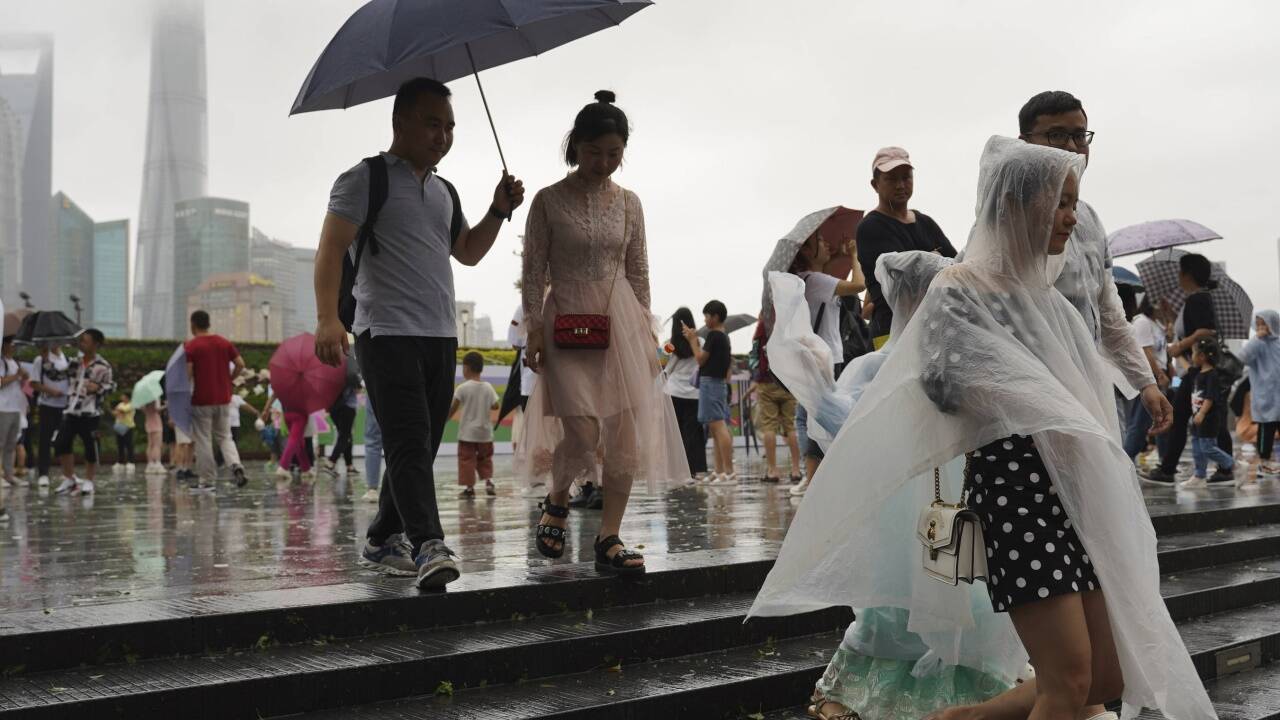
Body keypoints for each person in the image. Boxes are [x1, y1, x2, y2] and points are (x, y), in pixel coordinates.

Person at [752, 137, 1214, 720]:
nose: (1074, 217)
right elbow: (943, 383)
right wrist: (1039, 401)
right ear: (1018, 204)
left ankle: (959, 718)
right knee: (1068, 679)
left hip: (1077, 492)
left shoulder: (1048, 302)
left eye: (1075, 202)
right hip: (1018, 490)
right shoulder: (960, 288)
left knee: (1105, 675)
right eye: (1062, 202)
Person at [314, 76, 524, 588]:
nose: (443, 136)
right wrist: (327, 318)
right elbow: (330, 248)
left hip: (439, 334)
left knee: (421, 445)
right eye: (433, 124)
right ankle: (429, 544)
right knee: (408, 440)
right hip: (384, 332)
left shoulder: (444, 191)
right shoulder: (365, 179)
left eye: (449, 126)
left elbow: (468, 252)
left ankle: (383, 536)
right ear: (399, 122)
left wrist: (499, 210)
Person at [520, 90, 688, 576]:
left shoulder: (631, 203)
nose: (604, 162)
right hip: (566, 318)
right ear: (575, 146)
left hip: (621, 323)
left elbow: (639, 270)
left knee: (623, 433)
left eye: (614, 153)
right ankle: (557, 498)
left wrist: (647, 331)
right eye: (594, 152)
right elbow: (534, 270)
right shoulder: (548, 201)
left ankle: (608, 536)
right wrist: (533, 328)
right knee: (582, 426)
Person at [856, 147, 958, 349]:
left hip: (935, 325)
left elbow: (957, 265)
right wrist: (935, 260)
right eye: (892, 179)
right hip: (892, 332)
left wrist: (932, 261)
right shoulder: (870, 227)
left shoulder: (925, 222)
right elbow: (905, 278)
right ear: (875, 185)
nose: (901, 185)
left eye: (906, 177)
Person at [1143, 252, 1225, 485]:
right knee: (1207, 419)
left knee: (1180, 418)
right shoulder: (1197, 298)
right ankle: (1224, 467)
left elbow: (1205, 332)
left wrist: (1179, 346)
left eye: (1181, 271)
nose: (1178, 276)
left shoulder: (1197, 299)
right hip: (1194, 369)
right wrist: (1171, 319)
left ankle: (1168, 469)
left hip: (1196, 369)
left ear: (1188, 273)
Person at [184, 310, 247, 491]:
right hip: (223, 398)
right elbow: (241, 364)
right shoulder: (224, 342)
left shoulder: (191, 346)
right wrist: (229, 379)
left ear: (193, 324)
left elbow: (187, 375)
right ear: (208, 323)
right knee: (225, 436)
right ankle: (236, 465)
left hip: (201, 400)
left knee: (203, 439)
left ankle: (207, 480)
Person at [54, 329, 115, 496]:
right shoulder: (74, 362)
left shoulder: (103, 366)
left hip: (90, 413)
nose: (82, 343)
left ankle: (89, 481)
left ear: (95, 344)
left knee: (91, 447)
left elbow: (111, 386)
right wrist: (48, 356)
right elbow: (57, 375)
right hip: (71, 411)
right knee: (62, 444)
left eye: (85, 341)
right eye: (81, 340)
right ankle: (69, 479)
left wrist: (99, 388)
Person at [684, 300, 735, 484]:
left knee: (718, 426)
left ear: (715, 317)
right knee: (715, 427)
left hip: (711, 384)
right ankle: (720, 470)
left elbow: (700, 359)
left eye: (707, 315)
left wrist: (692, 341)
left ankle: (728, 471)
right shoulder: (723, 336)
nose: (705, 319)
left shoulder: (714, 335)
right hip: (717, 383)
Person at [746, 319, 802, 484]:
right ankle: (796, 469)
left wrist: (758, 372)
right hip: (788, 382)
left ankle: (772, 470)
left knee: (769, 426)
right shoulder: (790, 321)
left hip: (767, 381)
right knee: (790, 426)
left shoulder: (764, 324)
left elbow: (754, 353)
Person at [1180, 338, 1235, 489]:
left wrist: (1202, 413)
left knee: (1207, 447)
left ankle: (1233, 465)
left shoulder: (1212, 375)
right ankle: (1199, 475)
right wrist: (1177, 353)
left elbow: (1210, 397)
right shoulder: (1199, 373)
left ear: (1202, 356)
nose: (1191, 357)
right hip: (1198, 418)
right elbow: (1187, 367)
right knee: (1197, 448)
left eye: (1193, 353)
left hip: (1208, 419)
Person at [1122, 298, 1171, 463]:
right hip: (1149, 376)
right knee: (1140, 422)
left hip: (1159, 374)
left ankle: (1164, 462)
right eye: (1164, 303)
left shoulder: (1156, 324)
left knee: (1161, 420)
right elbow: (1145, 351)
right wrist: (1158, 374)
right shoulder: (1142, 321)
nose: (1167, 306)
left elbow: (1161, 353)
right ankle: (1126, 460)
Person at [665, 308, 708, 481]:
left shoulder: (670, 344)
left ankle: (678, 470)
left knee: (676, 433)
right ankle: (695, 469)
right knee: (694, 433)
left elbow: (667, 367)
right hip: (694, 393)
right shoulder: (701, 341)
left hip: (673, 391)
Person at [451, 351, 499, 498]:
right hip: (485, 433)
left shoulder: (462, 388)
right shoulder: (488, 387)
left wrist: (445, 419)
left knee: (467, 460)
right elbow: (496, 405)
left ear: (466, 368)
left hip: (468, 433)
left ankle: (470, 489)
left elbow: (453, 407)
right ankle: (489, 483)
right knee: (485, 459)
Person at [1241, 310, 1280, 475]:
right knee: (1266, 430)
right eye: (1258, 325)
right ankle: (1264, 462)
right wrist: (1256, 338)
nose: (1262, 328)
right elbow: (1242, 358)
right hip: (1265, 397)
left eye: (1265, 323)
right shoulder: (1256, 344)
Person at [29, 342, 71, 488]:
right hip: (48, 405)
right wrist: (51, 391)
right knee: (45, 440)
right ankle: (43, 474)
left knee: (64, 439)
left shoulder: (68, 360)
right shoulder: (40, 360)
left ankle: (67, 474)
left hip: (66, 405)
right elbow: (34, 383)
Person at [0, 336, 28, 488]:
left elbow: (24, 387)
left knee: (12, 444)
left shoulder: (16, 363)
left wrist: (23, 378)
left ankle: (9, 475)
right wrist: (16, 376)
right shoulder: (1, 362)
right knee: (1, 444)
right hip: (3, 408)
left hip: (16, 408)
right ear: (3, 345)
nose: (14, 347)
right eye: (11, 344)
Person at [360, 398, 382, 502]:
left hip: (377, 386)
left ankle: (372, 489)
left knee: (373, 440)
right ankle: (402, 486)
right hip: (407, 387)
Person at [111, 395, 136, 474]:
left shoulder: (131, 404)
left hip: (128, 426)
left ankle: (131, 461)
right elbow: (116, 412)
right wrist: (119, 411)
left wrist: (119, 411)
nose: (122, 397)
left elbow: (123, 410)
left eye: (124, 396)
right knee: (120, 444)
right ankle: (120, 462)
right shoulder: (120, 404)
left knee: (129, 444)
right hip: (119, 426)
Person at [143, 400, 165, 474]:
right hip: (156, 421)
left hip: (148, 420)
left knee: (150, 444)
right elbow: (157, 409)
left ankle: (150, 463)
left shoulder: (143, 399)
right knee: (157, 444)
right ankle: (157, 462)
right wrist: (166, 406)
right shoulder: (155, 397)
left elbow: (143, 409)